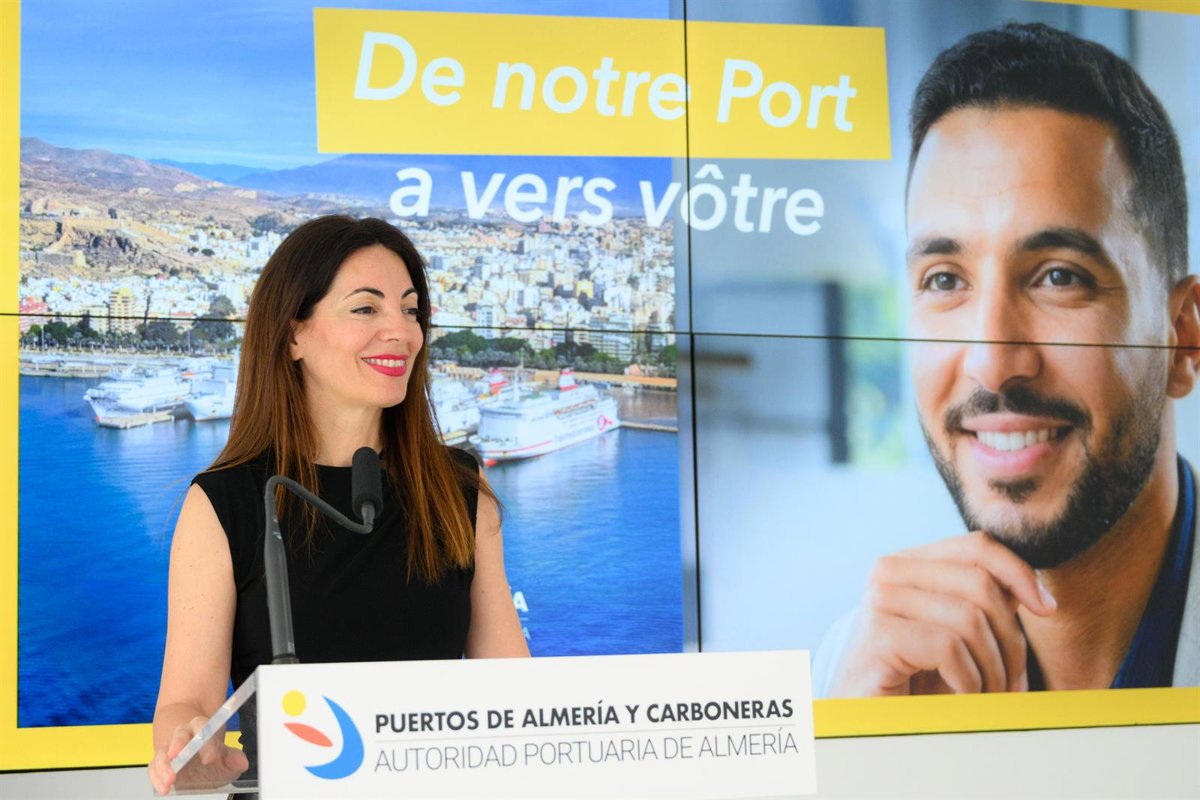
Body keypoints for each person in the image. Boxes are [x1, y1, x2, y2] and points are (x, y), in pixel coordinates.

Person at [817, 22, 1200, 697]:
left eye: (1059, 277)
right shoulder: (854, 676)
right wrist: (861, 749)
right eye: (944, 280)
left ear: (1182, 338)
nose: (991, 364)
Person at [147, 216, 528, 794]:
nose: (401, 332)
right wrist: (189, 746)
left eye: (410, 310)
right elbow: (184, 703)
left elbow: (515, 692)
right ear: (292, 335)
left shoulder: (459, 488)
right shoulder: (227, 502)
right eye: (366, 308)